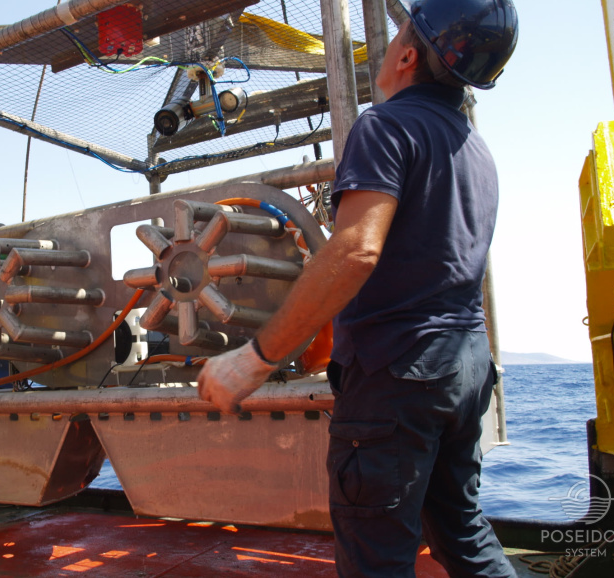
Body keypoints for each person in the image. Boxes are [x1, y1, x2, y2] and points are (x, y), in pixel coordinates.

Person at [196, 0, 519, 576]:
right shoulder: (478, 152)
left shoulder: (385, 125)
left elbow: (355, 250)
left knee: (377, 559)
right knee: (463, 533)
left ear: (410, 54)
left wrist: (256, 358)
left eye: (397, 34)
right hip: (466, 368)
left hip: (397, 378)